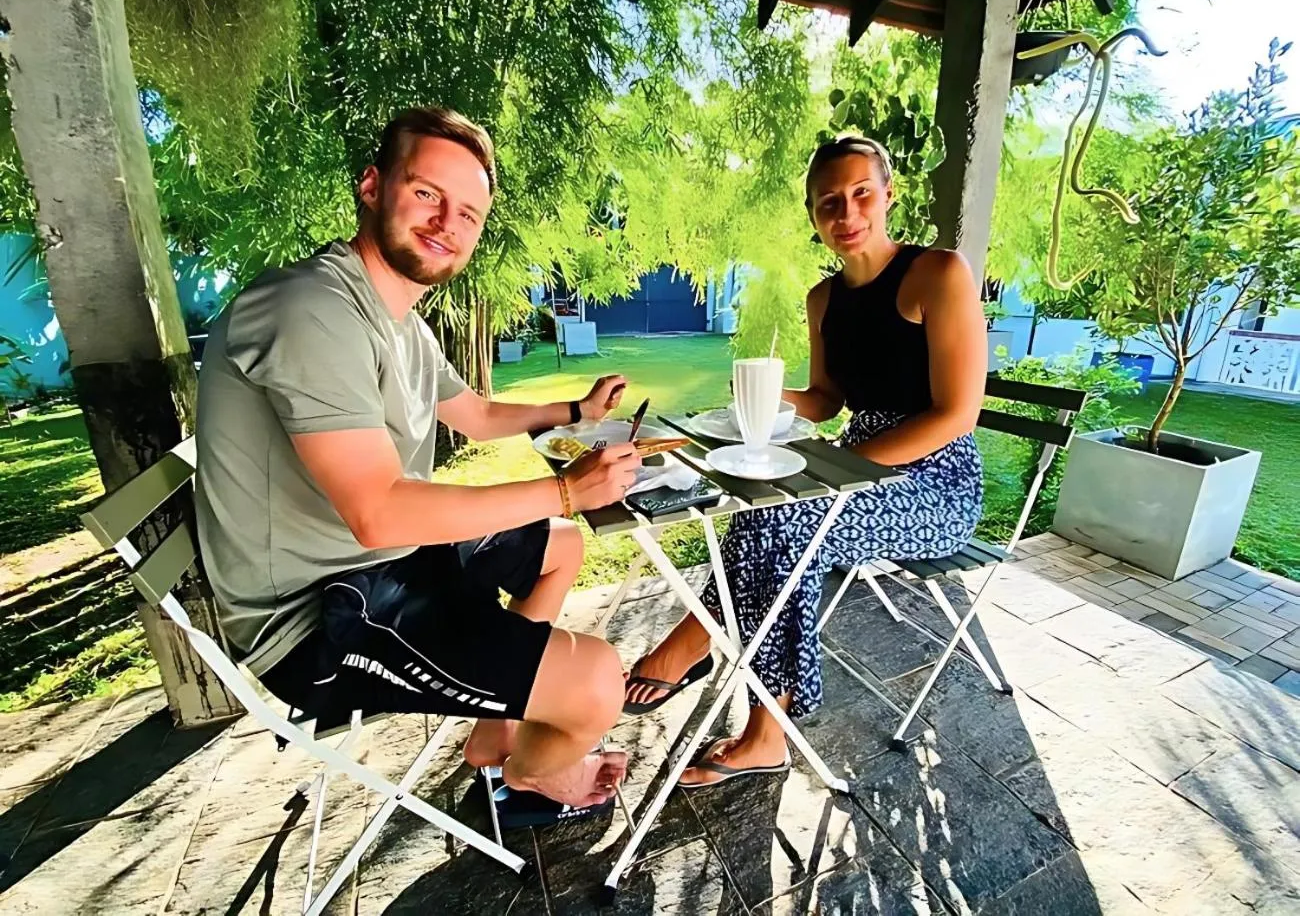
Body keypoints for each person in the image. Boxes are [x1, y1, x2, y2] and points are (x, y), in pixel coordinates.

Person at [195, 106, 642, 809]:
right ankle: (529, 772)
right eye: (428, 193)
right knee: (596, 685)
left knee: (561, 548)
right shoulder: (312, 309)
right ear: (372, 186)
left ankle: (493, 732)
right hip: (319, 616)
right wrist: (565, 493)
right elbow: (377, 511)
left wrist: (576, 413)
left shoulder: (401, 320)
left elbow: (478, 414)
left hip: (383, 562)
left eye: (467, 212)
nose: (446, 222)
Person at [623, 135, 986, 787]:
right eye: (828, 203)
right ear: (813, 215)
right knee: (760, 514)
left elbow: (956, 414)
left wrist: (841, 471)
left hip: (937, 481)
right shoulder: (824, 301)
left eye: (860, 195)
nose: (846, 214)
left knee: (788, 522)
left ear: (888, 193)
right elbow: (825, 401)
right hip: (855, 463)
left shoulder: (938, 274)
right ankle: (706, 653)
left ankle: (749, 709)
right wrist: (760, 394)